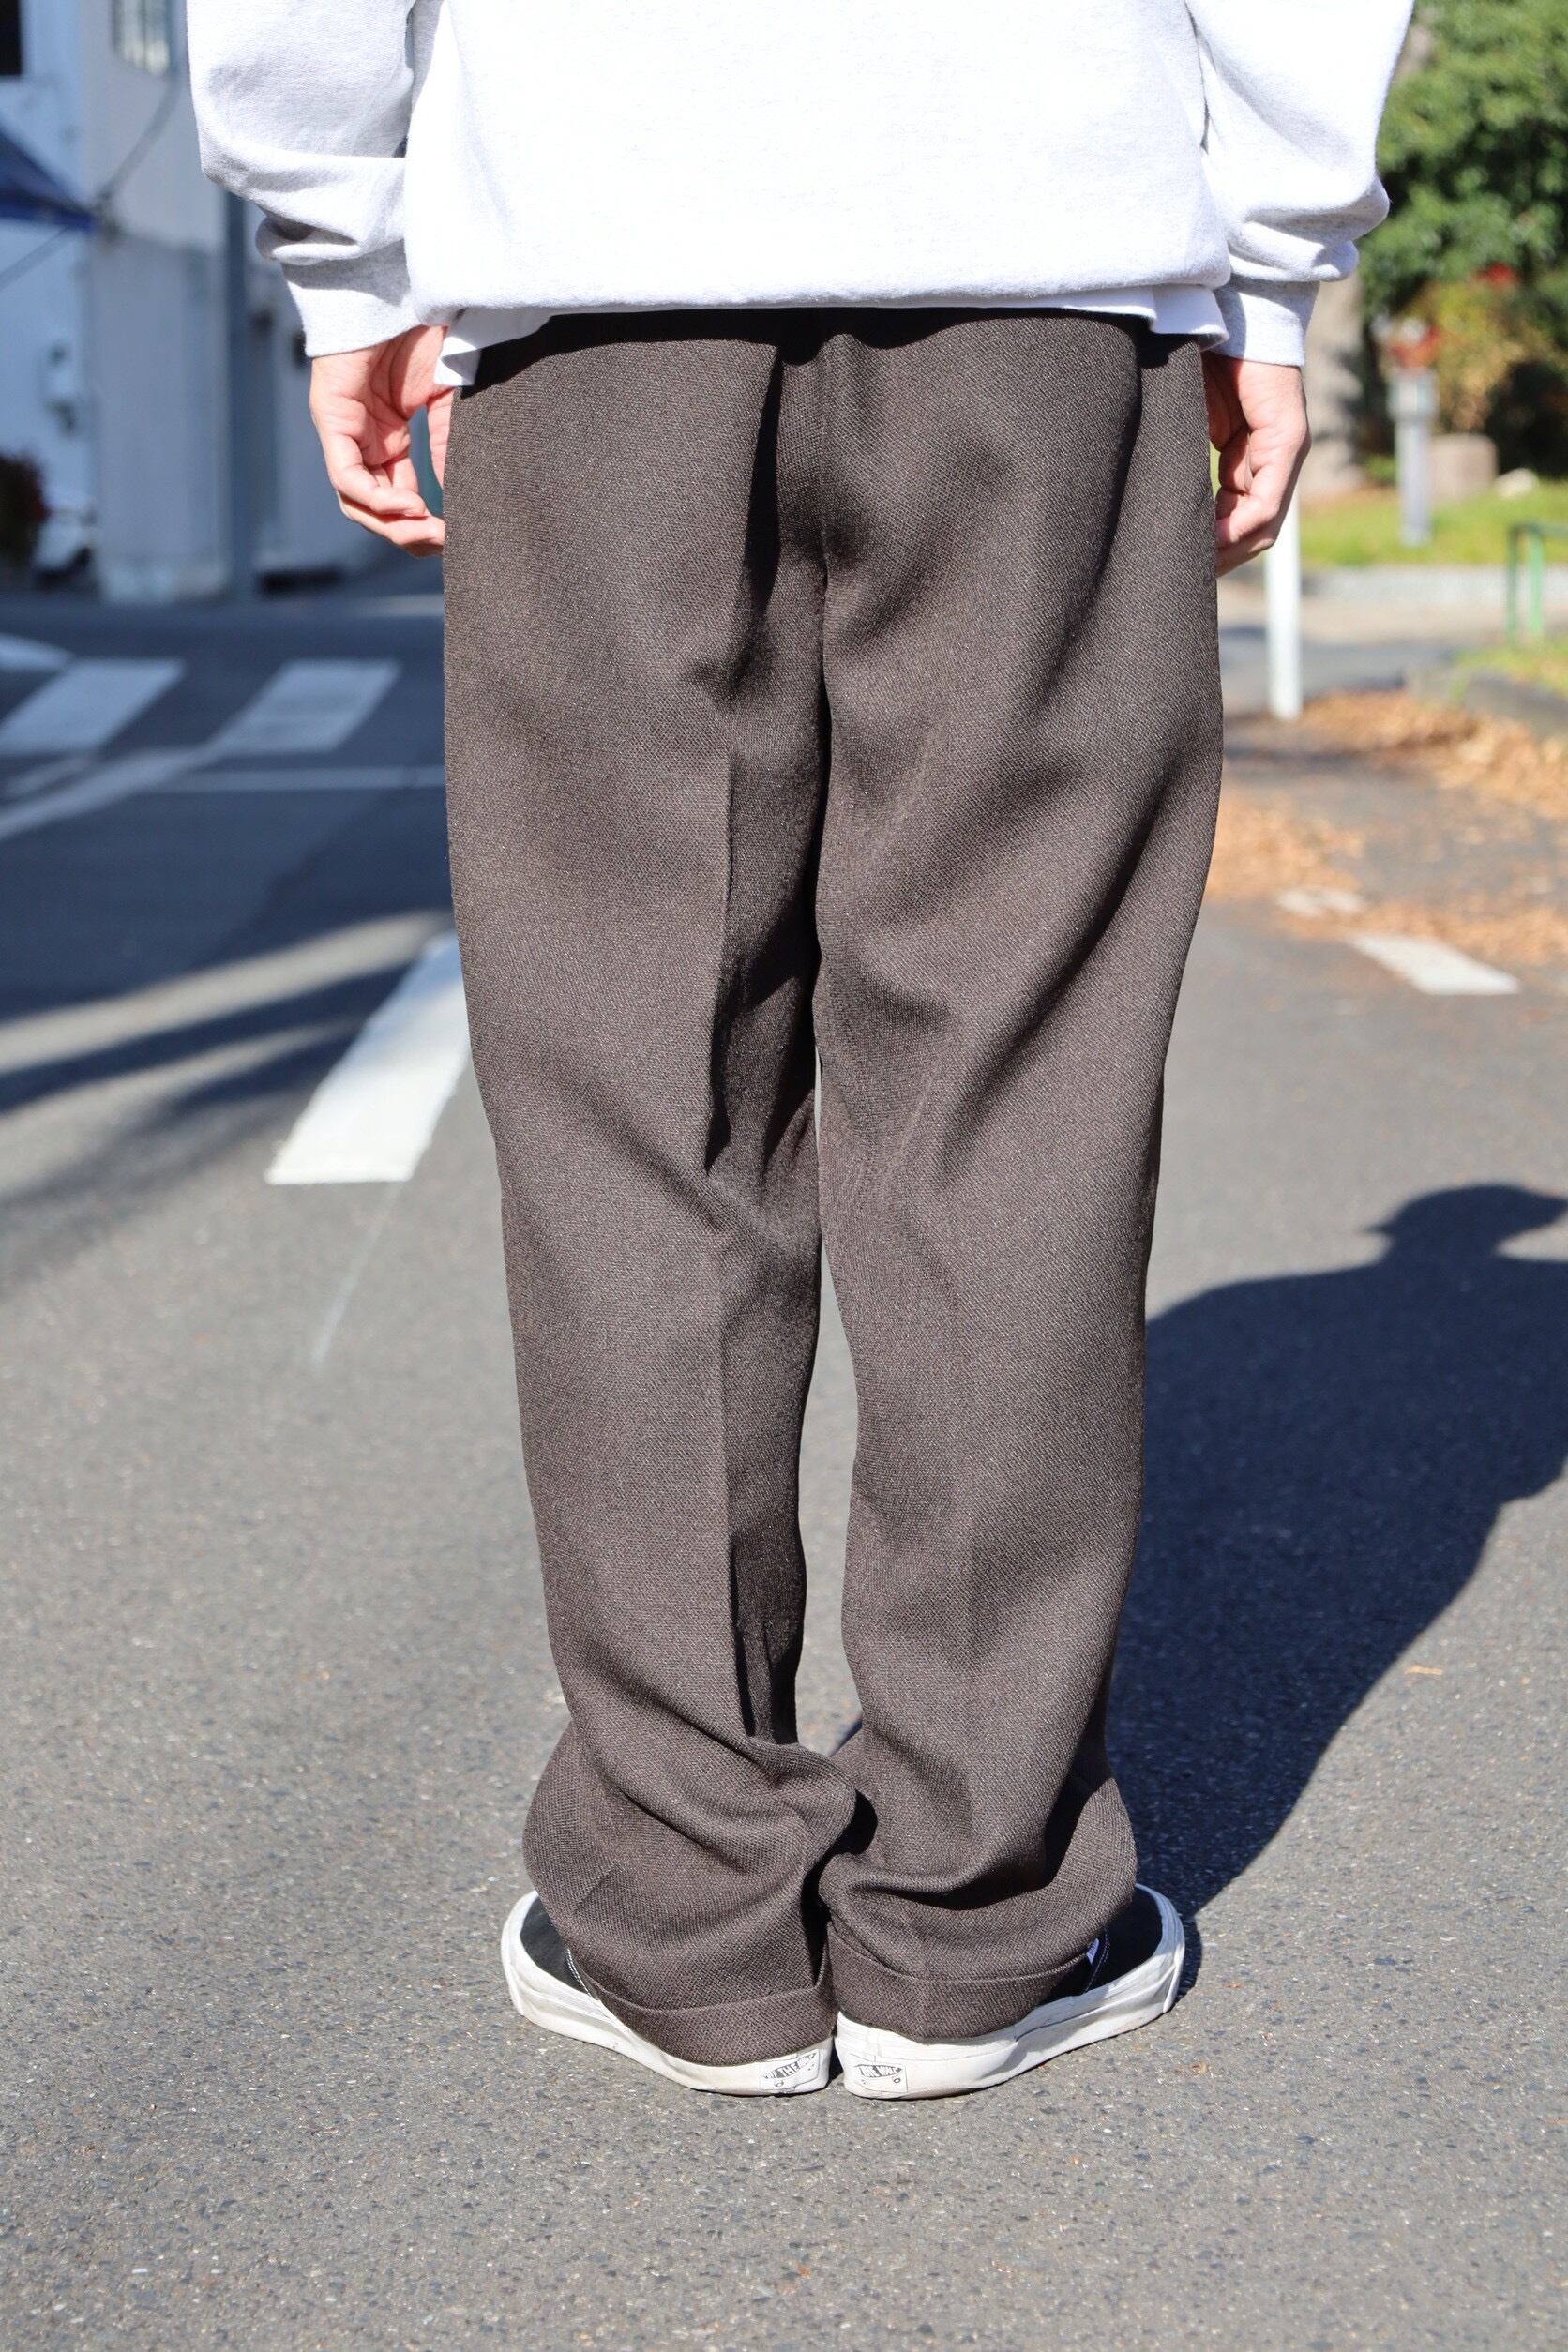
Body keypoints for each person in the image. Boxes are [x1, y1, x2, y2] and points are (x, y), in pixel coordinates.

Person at [188, 0, 1410, 2101]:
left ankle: (685, 1918)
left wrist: (350, 254)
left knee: (633, 1102)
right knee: (1011, 1085)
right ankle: (976, 1927)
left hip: (593, 295)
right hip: (1047, 284)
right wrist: (1273, 267)